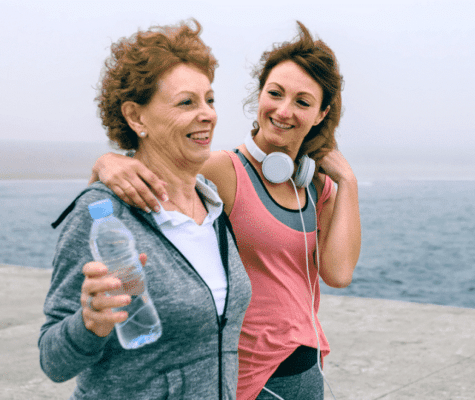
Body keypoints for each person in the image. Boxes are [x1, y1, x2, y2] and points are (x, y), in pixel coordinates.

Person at [91, 21, 361, 399]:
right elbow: (147, 174)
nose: (284, 111)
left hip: (305, 372)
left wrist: (347, 181)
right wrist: (107, 162)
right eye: (275, 93)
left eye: (302, 102)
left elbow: (338, 272)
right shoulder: (224, 170)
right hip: (245, 378)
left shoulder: (317, 185)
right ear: (260, 95)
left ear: (320, 113)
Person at [39, 20, 252, 399]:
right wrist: (89, 324)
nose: (207, 114)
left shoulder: (213, 205)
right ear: (137, 117)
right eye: (187, 102)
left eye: (210, 99)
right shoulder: (102, 212)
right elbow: (53, 360)